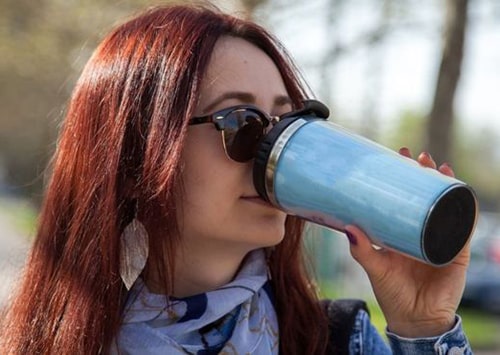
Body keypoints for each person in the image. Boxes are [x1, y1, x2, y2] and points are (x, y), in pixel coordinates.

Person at [0, 3, 472, 354]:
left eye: (290, 124)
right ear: (134, 157)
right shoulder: (41, 341)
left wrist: (424, 327)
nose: (277, 155)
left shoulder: (337, 340)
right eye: (244, 125)